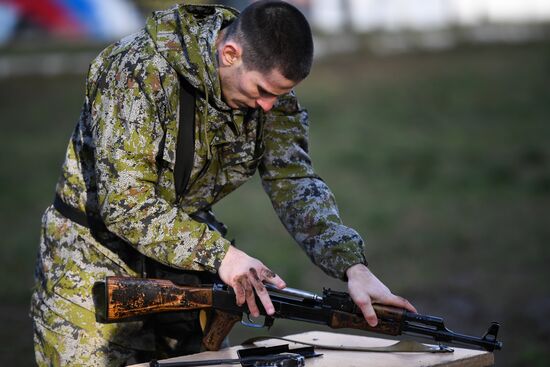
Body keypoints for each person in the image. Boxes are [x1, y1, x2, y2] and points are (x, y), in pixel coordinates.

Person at [30, 1, 416, 366]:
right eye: (263, 92)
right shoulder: (138, 71)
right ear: (230, 53)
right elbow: (125, 205)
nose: (268, 106)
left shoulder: (269, 91)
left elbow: (293, 181)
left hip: (186, 271)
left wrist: (351, 266)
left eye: (278, 95)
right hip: (93, 263)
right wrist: (224, 256)